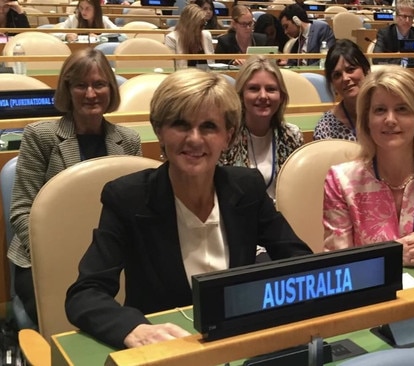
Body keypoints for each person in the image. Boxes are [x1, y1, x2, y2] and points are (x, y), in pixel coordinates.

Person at [65, 69, 312, 349]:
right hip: (165, 352)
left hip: (238, 342)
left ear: (228, 137)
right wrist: (134, 328)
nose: (194, 139)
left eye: (209, 126)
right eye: (181, 125)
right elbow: (86, 293)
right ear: (159, 131)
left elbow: (300, 262)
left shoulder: (247, 188)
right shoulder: (127, 198)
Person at [8, 49, 142, 324]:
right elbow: (22, 211)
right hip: (47, 261)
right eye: (80, 85)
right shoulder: (40, 136)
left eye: (99, 84)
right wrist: (55, 252)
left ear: (111, 89)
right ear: (67, 89)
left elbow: (135, 212)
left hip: (109, 260)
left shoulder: (129, 141)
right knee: (73, 320)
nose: (90, 94)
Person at [323, 66, 414, 265]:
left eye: (402, 109)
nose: (390, 120)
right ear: (367, 120)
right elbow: (338, 263)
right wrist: (391, 257)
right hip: (373, 293)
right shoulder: (341, 181)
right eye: (380, 110)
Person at [220, 56, 303, 199]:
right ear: (241, 95)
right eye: (254, 88)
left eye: (271, 89)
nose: (263, 96)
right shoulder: (226, 138)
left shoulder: (292, 136)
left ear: (281, 96)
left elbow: (298, 191)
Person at [314, 39, 371, 141]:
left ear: (366, 70)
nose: (345, 78)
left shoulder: (385, 114)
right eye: (337, 75)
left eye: (350, 70)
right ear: (332, 84)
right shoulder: (326, 128)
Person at [373, 0, 414, 65]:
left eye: (410, 17)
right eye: (404, 16)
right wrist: (402, 60)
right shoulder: (385, 34)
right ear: (396, 17)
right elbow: (376, 59)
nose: (407, 20)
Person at [164, 4, 214, 70]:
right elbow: (171, 67)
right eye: (199, 25)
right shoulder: (172, 38)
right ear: (189, 25)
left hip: (206, 75)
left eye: (203, 24)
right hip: (184, 77)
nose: (201, 28)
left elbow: (212, 63)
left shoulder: (206, 35)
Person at [56, 0, 121, 42]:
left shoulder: (103, 19)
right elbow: (55, 33)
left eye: (87, 8)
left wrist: (99, 37)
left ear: (96, 9)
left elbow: (117, 31)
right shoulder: (73, 19)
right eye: (81, 8)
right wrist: (66, 36)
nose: (83, 12)